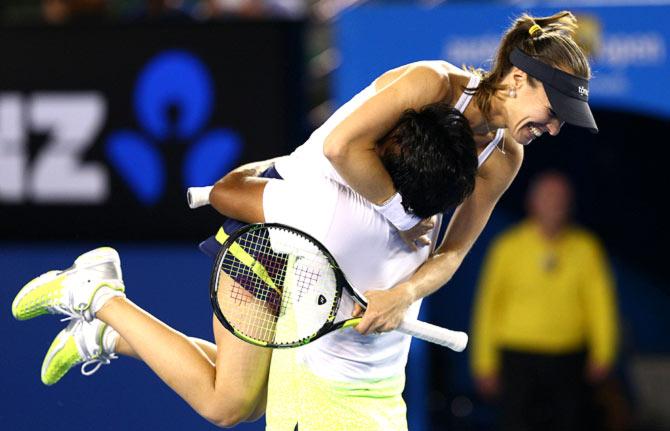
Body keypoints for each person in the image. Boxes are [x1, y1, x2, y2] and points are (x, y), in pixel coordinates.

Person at [12, 103, 477, 429]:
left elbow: (226, 187)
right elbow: (225, 194)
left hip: (307, 262)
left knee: (252, 398)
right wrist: (295, 168)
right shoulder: (332, 206)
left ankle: (106, 334)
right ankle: (96, 295)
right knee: (228, 403)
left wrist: (400, 297)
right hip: (260, 251)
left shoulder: (417, 213)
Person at [274, 11, 599, 338]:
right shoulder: (433, 82)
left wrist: (405, 294)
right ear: (517, 79)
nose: (555, 129)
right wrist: (405, 217)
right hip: (287, 219)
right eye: (553, 111)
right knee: (235, 392)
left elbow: (452, 251)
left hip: (348, 255)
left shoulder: (506, 157)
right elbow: (341, 148)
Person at [470, 171, 619, 431]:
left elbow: (601, 305)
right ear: (532, 202)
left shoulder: (587, 249)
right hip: (517, 358)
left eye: (560, 198)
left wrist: (604, 352)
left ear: (570, 204)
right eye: (547, 197)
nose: (554, 204)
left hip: (569, 358)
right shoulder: (507, 248)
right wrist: (484, 363)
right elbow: (488, 306)